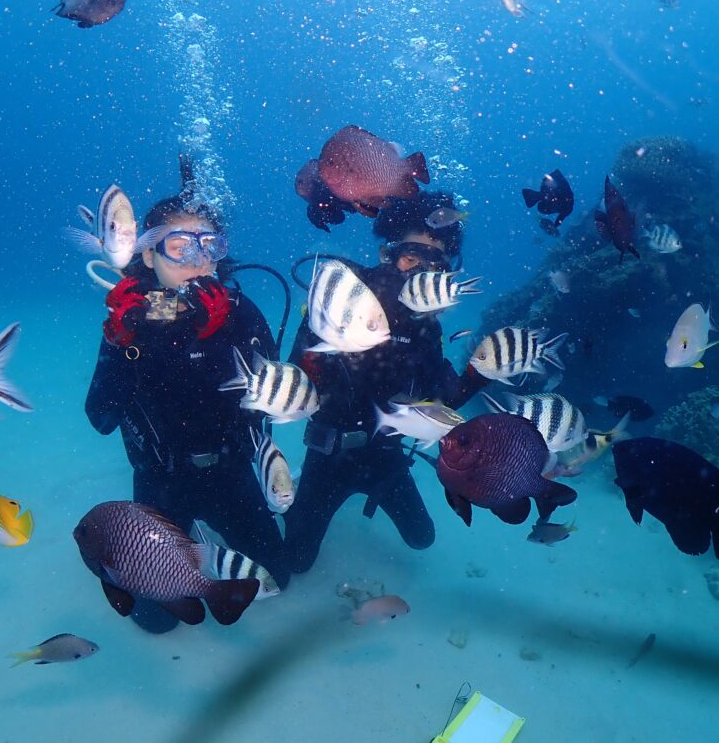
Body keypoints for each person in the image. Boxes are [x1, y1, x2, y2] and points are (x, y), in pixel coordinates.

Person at [84, 162, 290, 632]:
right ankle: (188, 542)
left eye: (209, 246)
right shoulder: (128, 321)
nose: (197, 261)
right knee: (156, 621)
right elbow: (101, 417)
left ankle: (209, 538)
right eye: (179, 246)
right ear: (148, 254)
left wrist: (221, 337)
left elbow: (272, 401)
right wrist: (123, 344)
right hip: (160, 481)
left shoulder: (240, 312)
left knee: (278, 577)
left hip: (230, 471)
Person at [283, 190, 488, 574]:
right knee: (296, 562)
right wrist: (328, 337)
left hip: (385, 456)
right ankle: (289, 493)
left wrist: (481, 373)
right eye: (411, 257)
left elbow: (440, 401)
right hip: (329, 453)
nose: (417, 274)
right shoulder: (341, 302)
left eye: (434, 265)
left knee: (422, 537)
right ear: (387, 254)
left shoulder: (426, 328)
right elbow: (296, 377)